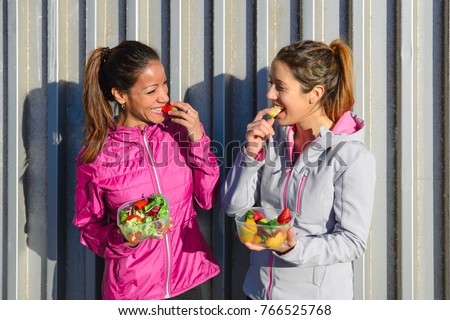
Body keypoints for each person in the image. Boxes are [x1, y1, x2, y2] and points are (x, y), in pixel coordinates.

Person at [221, 39, 376, 299]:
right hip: (257, 294)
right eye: (271, 83)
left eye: (280, 87)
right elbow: (234, 209)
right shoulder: (270, 138)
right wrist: (250, 155)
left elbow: (352, 241)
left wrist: (292, 248)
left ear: (314, 94)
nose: (270, 94)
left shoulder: (352, 157)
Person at [73, 40, 220, 300]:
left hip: (186, 283)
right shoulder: (95, 157)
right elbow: (89, 228)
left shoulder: (177, 131)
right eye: (152, 90)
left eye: (164, 84)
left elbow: (207, 198)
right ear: (121, 95)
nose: (164, 96)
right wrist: (124, 238)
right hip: (133, 292)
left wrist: (197, 138)